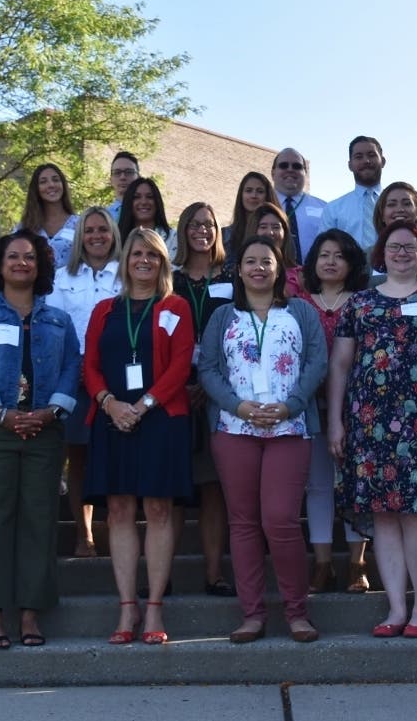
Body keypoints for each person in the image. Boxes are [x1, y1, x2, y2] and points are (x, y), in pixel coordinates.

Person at [328, 220, 417, 639]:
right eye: (395, 246)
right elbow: (340, 366)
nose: (402, 252)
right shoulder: (359, 304)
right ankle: (395, 608)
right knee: (384, 517)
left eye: (411, 246)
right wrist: (335, 422)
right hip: (369, 425)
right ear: (381, 253)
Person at [0, 230, 80, 650]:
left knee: (39, 521)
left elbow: (71, 366)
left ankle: (30, 612)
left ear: (40, 266)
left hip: (45, 429)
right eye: (13, 256)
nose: (21, 263)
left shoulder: (59, 319)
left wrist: (52, 410)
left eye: (29, 257)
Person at [199, 235, 326, 643]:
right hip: (235, 429)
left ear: (278, 269)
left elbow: (317, 361)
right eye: (250, 261)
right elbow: (208, 369)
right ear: (238, 270)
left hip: (289, 428)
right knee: (243, 523)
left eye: (266, 261)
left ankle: (297, 612)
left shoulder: (301, 311)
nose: (258, 268)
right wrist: (237, 406)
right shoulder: (223, 316)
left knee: (280, 519)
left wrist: (291, 405)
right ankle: (252, 614)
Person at [84, 227, 193, 645]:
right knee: (118, 510)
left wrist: (143, 405)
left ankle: (154, 608)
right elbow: (90, 365)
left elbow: (181, 365)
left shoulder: (176, 307)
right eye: (136, 254)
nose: (144, 260)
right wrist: (110, 403)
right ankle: (127, 606)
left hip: (161, 419)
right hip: (113, 418)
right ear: (125, 261)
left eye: (152, 254)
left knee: (159, 509)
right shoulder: (104, 310)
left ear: (163, 262)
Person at [296, 229, 371, 594]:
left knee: (356, 483)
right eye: (324, 254)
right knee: (318, 484)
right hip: (309, 404)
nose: (330, 261)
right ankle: (322, 564)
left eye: (339, 255)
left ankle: (358, 564)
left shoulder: (365, 302)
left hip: (357, 406)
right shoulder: (297, 304)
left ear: (351, 263)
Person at [45, 207, 122, 558]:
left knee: (117, 456)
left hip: (117, 379)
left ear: (113, 234)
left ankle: (118, 530)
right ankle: (84, 534)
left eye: (102, 229)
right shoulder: (62, 278)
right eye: (89, 230)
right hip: (75, 377)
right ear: (80, 237)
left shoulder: (125, 274)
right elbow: (55, 327)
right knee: (78, 457)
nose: (96, 236)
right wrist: (72, 367)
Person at [171, 202, 236, 596]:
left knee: (213, 486)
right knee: (173, 488)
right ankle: (163, 575)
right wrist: (181, 382)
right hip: (173, 388)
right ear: (183, 230)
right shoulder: (169, 277)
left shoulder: (231, 276)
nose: (202, 231)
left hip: (222, 390)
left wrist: (209, 383)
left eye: (209, 224)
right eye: (194, 224)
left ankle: (214, 574)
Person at [319, 136, 385, 251]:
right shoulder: (333, 209)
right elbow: (324, 249)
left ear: (383, 161)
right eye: (359, 157)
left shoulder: (398, 206)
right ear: (350, 165)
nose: (366, 161)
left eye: (371, 155)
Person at [371, 181, 417, 281]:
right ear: (382, 214)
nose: (400, 209)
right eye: (391, 204)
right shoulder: (365, 257)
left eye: (407, 204)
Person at [271, 148, 326, 264]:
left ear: (305, 173)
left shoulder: (325, 208)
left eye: (297, 166)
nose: (290, 170)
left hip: (313, 274)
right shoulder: (261, 207)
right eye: (284, 165)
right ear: (273, 173)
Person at [20, 163, 80, 268]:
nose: (51, 185)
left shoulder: (80, 224)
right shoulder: (24, 227)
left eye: (56, 180)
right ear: (36, 188)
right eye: (43, 182)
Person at [224, 171, 279, 268]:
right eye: (248, 191)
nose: (254, 195)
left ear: (268, 196)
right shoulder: (225, 235)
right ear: (241, 195)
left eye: (260, 191)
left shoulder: (276, 233)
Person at [117, 177, 178, 261]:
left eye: (150, 197)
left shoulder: (173, 238)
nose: (144, 202)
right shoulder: (116, 238)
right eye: (136, 197)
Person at [247, 203, 300, 296]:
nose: (270, 232)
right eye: (263, 227)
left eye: (276, 227)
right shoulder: (243, 271)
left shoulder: (300, 275)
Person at [108, 151, 139, 221]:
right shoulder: (103, 217)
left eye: (129, 172)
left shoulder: (149, 214)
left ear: (138, 178)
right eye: (117, 172)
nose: (123, 177)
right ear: (110, 180)